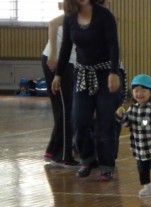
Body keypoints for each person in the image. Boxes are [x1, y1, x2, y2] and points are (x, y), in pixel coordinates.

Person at [52, 0, 125, 181]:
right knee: (79, 120)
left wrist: (114, 72)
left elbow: (113, 46)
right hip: (83, 72)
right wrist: (58, 75)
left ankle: (107, 164)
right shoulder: (70, 18)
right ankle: (87, 158)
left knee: (106, 120)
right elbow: (66, 48)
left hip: (107, 72)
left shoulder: (104, 15)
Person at [115, 74, 151, 196]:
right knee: (142, 169)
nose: (139, 93)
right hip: (139, 147)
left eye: (143, 90)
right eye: (136, 90)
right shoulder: (132, 109)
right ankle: (147, 187)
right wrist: (121, 116)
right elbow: (127, 124)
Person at [42, 0, 78, 167]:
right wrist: (54, 54)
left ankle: (52, 150)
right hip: (57, 62)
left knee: (64, 108)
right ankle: (64, 155)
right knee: (65, 109)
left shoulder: (94, 15)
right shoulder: (76, 12)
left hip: (69, 62)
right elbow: (52, 23)